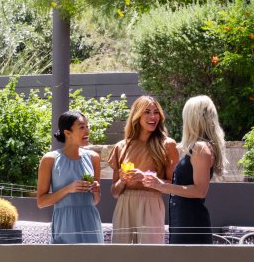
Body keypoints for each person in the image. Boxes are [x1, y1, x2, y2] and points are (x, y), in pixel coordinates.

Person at [142, 95, 226, 244]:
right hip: (183, 222)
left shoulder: (201, 148)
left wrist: (162, 186)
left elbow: (200, 191)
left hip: (192, 224)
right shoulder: (198, 147)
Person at [108, 95, 179, 244]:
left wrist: (143, 177)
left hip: (151, 203)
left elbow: (173, 187)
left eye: (156, 112)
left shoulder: (167, 145)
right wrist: (122, 181)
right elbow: (114, 192)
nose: (153, 116)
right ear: (137, 115)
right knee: (121, 256)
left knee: (151, 257)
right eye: (147, 112)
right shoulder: (121, 146)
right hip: (124, 204)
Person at [37, 110, 103, 244]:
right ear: (67, 133)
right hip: (65, 224)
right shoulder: (50, 159)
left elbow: (95, 201)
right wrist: (68, 189)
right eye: (81, 127)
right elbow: (41, 202)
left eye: (87, 126)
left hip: (90, 221)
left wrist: (96, 190)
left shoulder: (93, 158)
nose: (87, 131)